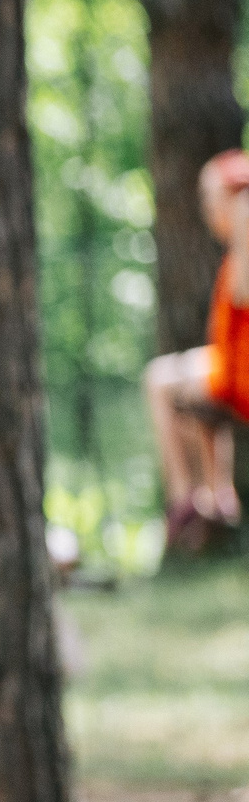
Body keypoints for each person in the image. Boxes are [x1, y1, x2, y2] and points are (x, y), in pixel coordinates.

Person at [141, 149, 249, 554]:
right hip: (231, 368)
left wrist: (243, 213)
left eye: (212, 198)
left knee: (162, 382)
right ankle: (215, 495)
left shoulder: (246, 242)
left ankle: (186, 497)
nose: (207, 210)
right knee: (180, 389)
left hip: (241, 378)